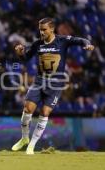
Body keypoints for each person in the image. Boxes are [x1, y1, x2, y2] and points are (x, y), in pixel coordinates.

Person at [12, 17, 94, 154]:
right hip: (39, 81)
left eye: (44, 30)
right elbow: (26, 58)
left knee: (44, 112)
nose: (42, 32)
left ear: (51, 29)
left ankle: (31, 145)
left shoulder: (62, 41)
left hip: (55, 84)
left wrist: (87, 44)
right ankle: (24, 138)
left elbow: (79, 40)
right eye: (40, 30)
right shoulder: (37, 44)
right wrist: (20, 54)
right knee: (27, 109)